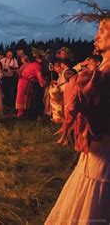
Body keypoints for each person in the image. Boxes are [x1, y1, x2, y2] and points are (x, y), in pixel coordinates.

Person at [46, 14, 110, 224]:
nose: (96, 35)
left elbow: (78, 108)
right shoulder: (99, 71)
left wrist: (74, 82)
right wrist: (58, 96)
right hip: (91, 157)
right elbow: (64, 116)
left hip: (102, 159)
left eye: (102, 30)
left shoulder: (102, 76)